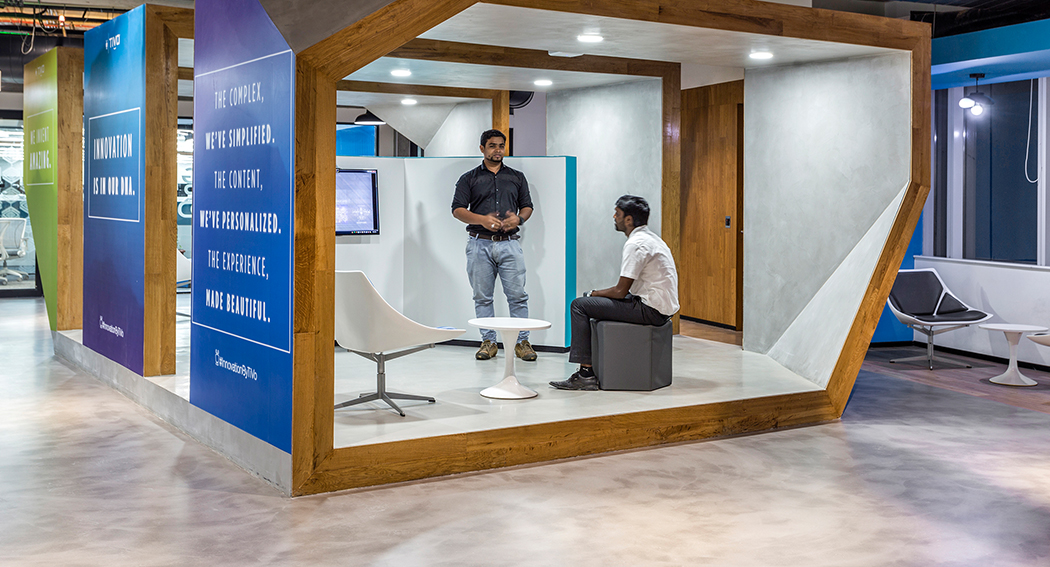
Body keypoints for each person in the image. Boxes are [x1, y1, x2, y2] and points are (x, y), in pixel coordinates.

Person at [550, 195, 679, 390]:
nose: (613, 217)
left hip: (650, 311)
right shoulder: (652, 239)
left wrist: (592, 294)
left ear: (628, 219)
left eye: (617, 214)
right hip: (660, 307)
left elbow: (620, 291)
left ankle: (585, 374)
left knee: (579, 305)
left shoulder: (636, 244)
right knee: (592, 301)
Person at [451, 129, 537, 362]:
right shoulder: (468, 178)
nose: (497, 150)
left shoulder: (517, 177)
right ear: (482, 149)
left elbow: (527, 206)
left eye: (501, 146)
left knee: (518, 296)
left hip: (510, 244)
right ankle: (488, 341)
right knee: (482, 297)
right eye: (492, 146)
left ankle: (522, 342)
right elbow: (457, 210)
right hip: (479, 245)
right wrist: (482, 220)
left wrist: (519, 219)